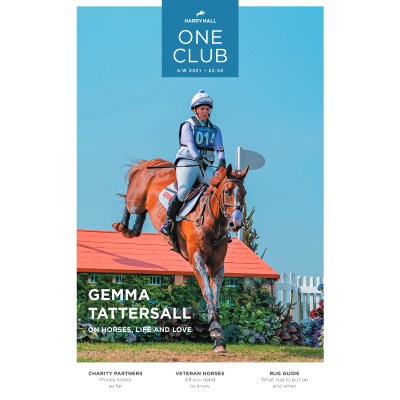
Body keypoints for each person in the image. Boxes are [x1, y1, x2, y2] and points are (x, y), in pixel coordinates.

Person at [159, 89, 226, 236]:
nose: (205, 111)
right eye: (202, 108)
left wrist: (221, 160)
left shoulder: (215, 129)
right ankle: (168, 221)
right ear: (195, 110)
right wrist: (197, 157)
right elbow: (189, 143)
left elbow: (219, 147)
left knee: (219, 190)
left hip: (205, 165)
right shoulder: (187, 125)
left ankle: (222, 227)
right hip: (188, 163)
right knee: (183, 190)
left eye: (207, 109)